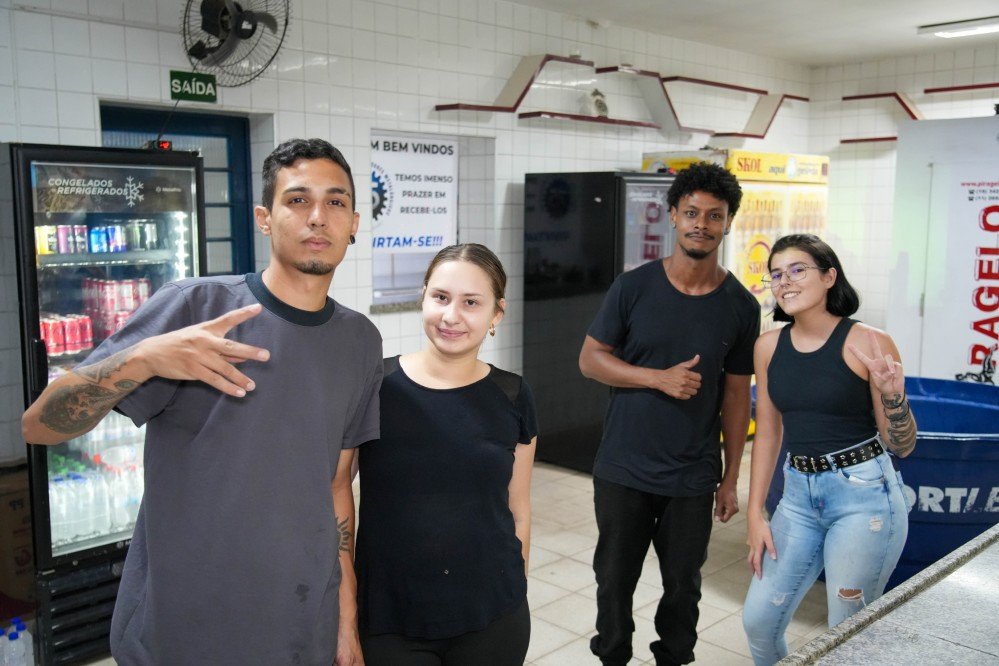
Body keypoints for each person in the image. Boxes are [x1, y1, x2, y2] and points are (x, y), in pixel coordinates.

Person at [22, 138, 382, 665]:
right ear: (264, 218)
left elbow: (336, 487)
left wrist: (345, 618)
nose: (317, 217)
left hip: (301, 624)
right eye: (297, 199)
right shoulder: (195, 307)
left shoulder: (359, 340)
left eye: (336, 201)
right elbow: (39, 426)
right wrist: (145, 358)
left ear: (353, 222)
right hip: (183, 628)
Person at [579, 162, 761, 666]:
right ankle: (612, 657)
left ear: (728, 223)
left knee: (683, 587)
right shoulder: (633, 287)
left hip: (692, 474)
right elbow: (590, 360)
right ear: (674, 216)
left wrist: (730, 479)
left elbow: (736, 396)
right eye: (692, 213)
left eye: (715, 215)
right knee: (613, 581)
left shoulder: (741, 306)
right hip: (623, 467)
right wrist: (656, 378)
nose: (702, 224)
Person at [355, 243, 537, 666]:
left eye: (471, 302)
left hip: (492, 616)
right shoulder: (375, 386)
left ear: (497, 314)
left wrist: (516, 588)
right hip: (390, 618)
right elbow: (333, 494)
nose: (451, 316)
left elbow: (519, 510)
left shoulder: (513, 394)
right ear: (423, 297)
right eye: (440, 297)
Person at [742, 234, 916, 665]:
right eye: (776, 274)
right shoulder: (768, 347)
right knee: (759, 621)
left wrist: (893, 396)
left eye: (797, 269)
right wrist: (754, 513)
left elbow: (902, 445)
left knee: (847, 633)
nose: (785, 281)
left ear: (829, 276)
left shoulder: (869, 342)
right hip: (797, 498)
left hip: (864, 498)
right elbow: (768, 434)